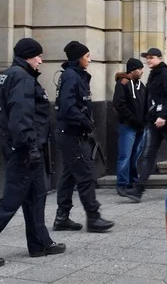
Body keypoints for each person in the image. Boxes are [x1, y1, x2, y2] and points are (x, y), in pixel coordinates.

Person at [0, 38, 65, 268]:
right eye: (38, 56)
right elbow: (21, 116)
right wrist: (30, 147)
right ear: (28, 56)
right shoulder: (21, 77)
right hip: (24, 149)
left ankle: (40, 243)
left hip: (20, 147)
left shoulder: (7, 75)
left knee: (36, 196)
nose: (41, 60)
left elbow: (2, 115)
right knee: (11, 200)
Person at [53, 41, 114, 232]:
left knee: (70, 175)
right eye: (87, 56)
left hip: (72, 132)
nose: (90, 59)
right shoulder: (72, 76)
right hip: (71, 133)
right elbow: (68, 106)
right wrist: (84, 121)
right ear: (78, 58)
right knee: (86, 174)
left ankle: (62, 217)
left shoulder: (74, 75)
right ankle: (93, 218)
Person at [124, 47, 167, 202]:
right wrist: (148, 117)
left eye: (151, 57)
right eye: (147, 58)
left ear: (160, 58)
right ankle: (138, 190)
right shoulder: (153, 75)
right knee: (148, 154)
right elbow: (150, 98)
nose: (148, 60)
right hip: (154, 121)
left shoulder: (166, 75)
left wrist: (164, 116)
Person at [112, 57, 147, 197]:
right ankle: (122, 184)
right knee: (125, 155)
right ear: (133, 70)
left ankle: (132, 180)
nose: (142, 72)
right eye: (140, 69)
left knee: (134, 156)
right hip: (128, 126)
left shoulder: (141, 86)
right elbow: (119, 104)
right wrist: (132, 120)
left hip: (140, 127)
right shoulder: (123, 83)